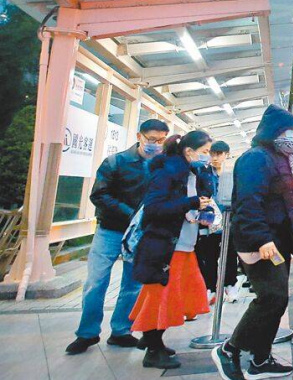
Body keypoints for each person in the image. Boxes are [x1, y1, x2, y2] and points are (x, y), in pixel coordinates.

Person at [212, 105, 293, 380]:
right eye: (288, 132)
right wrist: (261, 239)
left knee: (277, 300)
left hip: (279, 241)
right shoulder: (255, 159)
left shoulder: (282, 159)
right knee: (272, 297)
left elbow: (279, 197)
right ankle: (229, 349)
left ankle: (260, 359)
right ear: (274, 132)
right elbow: (248, 203)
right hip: (261, 242)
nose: (292, 137)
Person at [66, 119, 169, 355]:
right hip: (110, 230)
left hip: (140, 234)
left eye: (161, 140)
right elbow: (99, 194)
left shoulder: (163, 167)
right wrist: (131, 214)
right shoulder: (116, 162)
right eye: (151, 139)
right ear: (139, 136)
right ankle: (87, 333)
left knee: (132, 285)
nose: (155, 144)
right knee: (96, 282)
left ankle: (121, 331)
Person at [130, 131, 214, 370]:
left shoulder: (190, 173)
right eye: (205, 152)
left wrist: (200, 210)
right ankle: (153, 349)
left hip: (182, 245)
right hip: (166, 246)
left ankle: (153, 340)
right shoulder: (168, 172)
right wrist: (192, 203)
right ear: (189, 152)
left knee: (172, 295)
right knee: (161, 296)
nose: (208, 158)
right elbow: (154, 208)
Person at [195, 141, 243, 304]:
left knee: (230, 254)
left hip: (228, 219)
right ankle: (211, 288)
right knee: (209, 255)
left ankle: (230, 284)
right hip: (208, 219)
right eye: (213, 154)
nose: (215, 157)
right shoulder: (203, 172)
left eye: (219, 154)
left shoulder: (232, 174)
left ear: (226, 155)